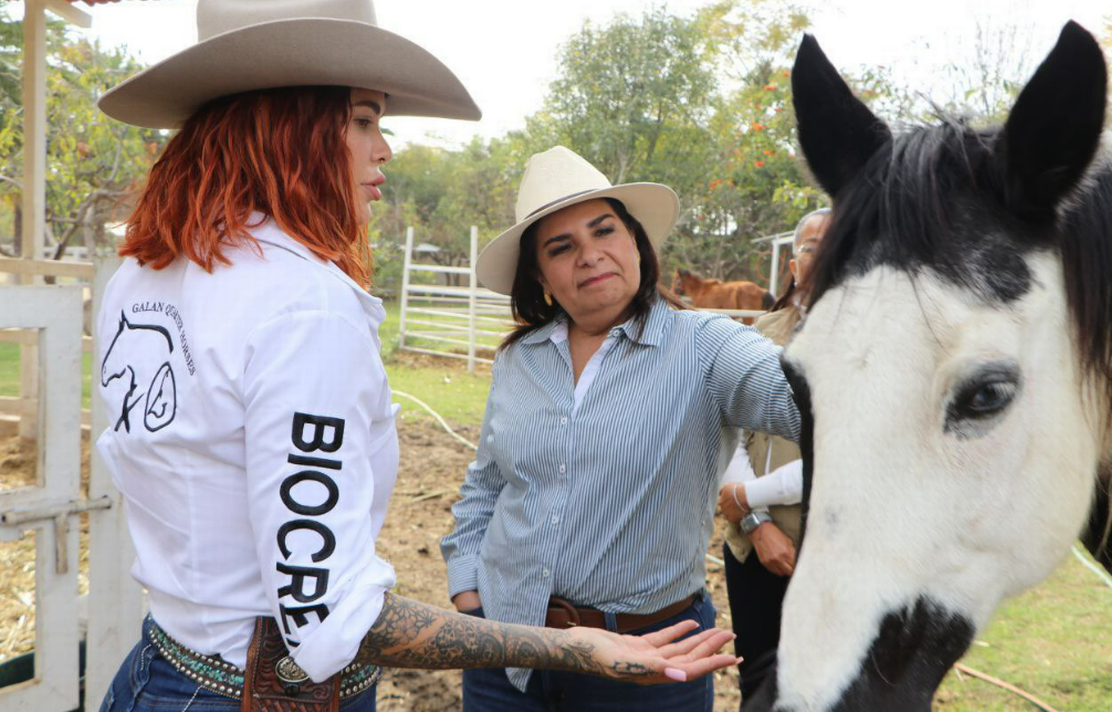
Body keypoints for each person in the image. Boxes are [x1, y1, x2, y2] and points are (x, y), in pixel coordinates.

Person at [92, 3, 738, 711]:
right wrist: (572, 647)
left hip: (165, 664)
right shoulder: (304, 306)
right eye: (365, 119)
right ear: (292, 125)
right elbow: (329, 617)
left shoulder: (146, 274)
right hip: (265, 693)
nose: (384, 148)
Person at [440, 146, 802, 712]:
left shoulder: (706, 346)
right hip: (508, 653)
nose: (590, 255)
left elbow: (798, 403)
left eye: (604, 230)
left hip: (649, 659)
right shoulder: (521, 359)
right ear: (540, 274)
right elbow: (486, 485)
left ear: (635, 240)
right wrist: (470, 598)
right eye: (561, 247)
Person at [716, 207, 830, 704]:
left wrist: (746, 497)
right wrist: (757, 522)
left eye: (837, 242)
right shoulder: (757, 334)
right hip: (757, 547)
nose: (823, 256)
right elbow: (727, 434)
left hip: (838, 550)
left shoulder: (879, 341)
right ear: (793, 264)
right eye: (810, 247)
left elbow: (842, 457)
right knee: (760, 683)